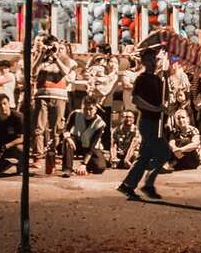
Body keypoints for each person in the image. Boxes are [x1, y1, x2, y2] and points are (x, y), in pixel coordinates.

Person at [118, 47, 167, 200]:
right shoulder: (142, 79)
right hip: (146, 121)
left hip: (156, 121)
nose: (154, 61)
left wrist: (164, 108)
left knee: (145, 156)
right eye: (151, 59)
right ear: (145, 61)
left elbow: (162, 102)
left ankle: (129, 185)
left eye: (156, 59)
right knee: (164, 152)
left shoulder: (159, 80)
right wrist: (155, 108)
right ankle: (146, 184)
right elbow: (136, 100)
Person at [63, 97, 107, 175]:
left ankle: (85, 166)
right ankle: (67, 168)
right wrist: (68, 138)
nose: (88, 111)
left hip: (90, 146)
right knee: (68, 142)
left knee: (100, 168)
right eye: (85, 108)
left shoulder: (100, 123)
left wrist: (84, 164)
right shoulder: (75, 114)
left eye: (91, 109)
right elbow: (65, 129)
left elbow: (92, 146)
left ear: (95, 109)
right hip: (77, 143)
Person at [0, 94, 24, 176]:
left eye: (4, 103)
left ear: (9, 104)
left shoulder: (18, 117)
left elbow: (22, 138)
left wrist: (7, 146)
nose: (2, 107)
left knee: (20, 148)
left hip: (14, 145)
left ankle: (20, 167)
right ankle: (0, 166)